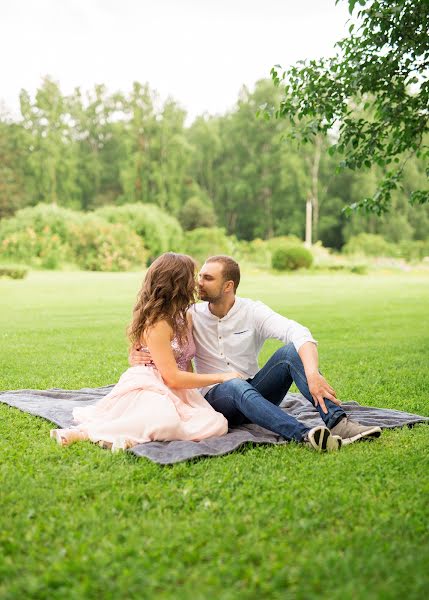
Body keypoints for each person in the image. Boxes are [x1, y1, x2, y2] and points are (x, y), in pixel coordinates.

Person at [131, 255, 381, 450]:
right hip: (215, 399)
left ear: (228, 285)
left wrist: (312, 373)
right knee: (235, 386)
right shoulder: (190, 314)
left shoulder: (253, 311)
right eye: (199, 276)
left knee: (289, 353)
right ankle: (304, 434)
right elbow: (153, 329)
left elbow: (299, 332)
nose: (198, 283)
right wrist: (136, 354)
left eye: (207, 278)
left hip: (256, 391)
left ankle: (338, 423)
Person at [50, 253, 243, 451]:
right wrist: (221, 377)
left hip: (179, 388)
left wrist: (193, 396)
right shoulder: (157, 322)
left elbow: (185, 361)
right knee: (164, 420)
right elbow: (172, 377)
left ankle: (130, 437)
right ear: (178, 283)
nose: (197, 283)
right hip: (151, 382)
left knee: (217, 424)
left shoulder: (186, 315)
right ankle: (85, 432)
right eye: (192, 277)